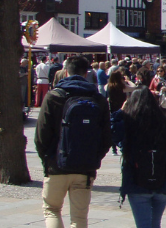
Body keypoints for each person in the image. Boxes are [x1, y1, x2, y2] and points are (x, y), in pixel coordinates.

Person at [34, 56, 112, 228]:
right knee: (79, 217)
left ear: (66, 71)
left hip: (56, 164)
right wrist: (94, 157)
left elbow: (41, 134)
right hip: (85, 166)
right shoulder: (98, 99)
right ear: (86, 73)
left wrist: (47, 159)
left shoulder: (54, 96)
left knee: (52, 209)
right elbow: (106, 136)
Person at [119, 88, 166, 228]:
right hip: (162, 181)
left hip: (136, 182)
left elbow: (115, 137)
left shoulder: (129, 122)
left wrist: (120, 112)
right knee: (155, 224)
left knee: (144, 224)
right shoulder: (164, 122)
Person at [106, 70, 137, 155]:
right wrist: (128, 81)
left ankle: (113, 149)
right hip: (122, 109)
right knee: (123, 127)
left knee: (113, 128)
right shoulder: (121, 86)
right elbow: (134, 87)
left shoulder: (108, 86)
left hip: (112, 109)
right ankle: (123, 145)